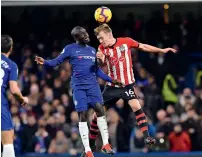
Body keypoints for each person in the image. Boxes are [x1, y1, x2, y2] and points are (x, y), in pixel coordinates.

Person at [81, 23, 177, 156]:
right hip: (112, 87)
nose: (101, 41)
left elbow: (143, 46)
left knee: (136, 106)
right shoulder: (102, 47)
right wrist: (100, 59)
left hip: (127, 85)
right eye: (99, 40)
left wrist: (161, 50)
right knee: (96, 115)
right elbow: (101, 59)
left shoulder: (126, 42)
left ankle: (147, 137)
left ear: (109, 34)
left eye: (102, 38)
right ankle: (90, 147)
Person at [34, 26, 122, 157]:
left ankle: (105, 144)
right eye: (83, 34)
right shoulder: (70, 48)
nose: (87, 35)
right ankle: (87, 150)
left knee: (100, 109)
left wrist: (111, 80)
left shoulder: (92, 50)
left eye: (86, 33)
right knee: (82, 113)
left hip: (93, 85)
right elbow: (56, 62)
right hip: (79, 86)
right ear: (76, 37)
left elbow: (97, 70)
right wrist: (45, 62)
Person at [1, 35, 29, 157]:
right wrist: (23, 99)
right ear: (11, 48)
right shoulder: (11, 65)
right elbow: (13, 89)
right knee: (7, 138)